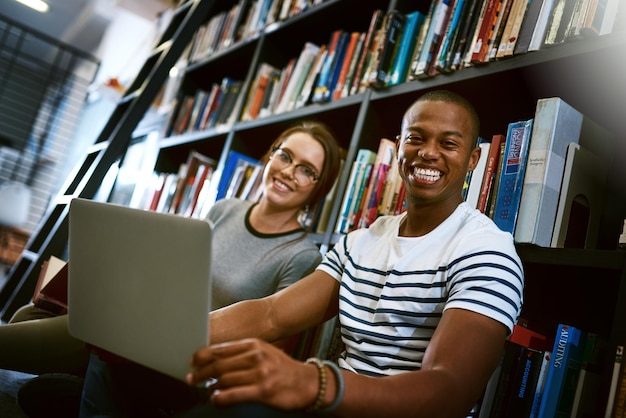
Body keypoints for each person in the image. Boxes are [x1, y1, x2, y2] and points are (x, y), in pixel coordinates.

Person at [80, 90, 524, 418]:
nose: (428, 152)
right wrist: (162, 332)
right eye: (416, 138)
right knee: (123, 370)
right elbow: (272, 314)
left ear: (471, 161)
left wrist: (315, 381)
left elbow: (448, 392)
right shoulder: (361, 241)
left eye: (448, 143)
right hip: (323, 402)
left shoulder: (485, 250)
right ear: (401, 148)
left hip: (344, 401)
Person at [0, 121, 342, 413]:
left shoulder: (302, 256)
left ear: (318, 189)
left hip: (197, 366)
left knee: (106, 336)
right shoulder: (226, 209)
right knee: (29, 316)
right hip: (155, 328)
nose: (288, 172)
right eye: (285, 155)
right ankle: (84, 387)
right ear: (271, 155)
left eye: (307, 170)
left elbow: (269, 352)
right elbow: (180, 274)